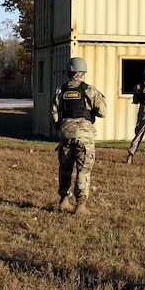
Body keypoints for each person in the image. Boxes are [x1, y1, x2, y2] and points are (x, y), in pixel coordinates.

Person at [50, 57, 107, 215]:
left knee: (65, 168)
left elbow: (54, 113)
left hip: (65, 135)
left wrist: (59, 127)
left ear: (68, 71)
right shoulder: (89, 90)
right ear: (83, 72)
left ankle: (64, 201)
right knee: (83, 170)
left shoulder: (60, 90)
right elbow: (103, 112)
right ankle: (80, 206)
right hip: (84, 136)